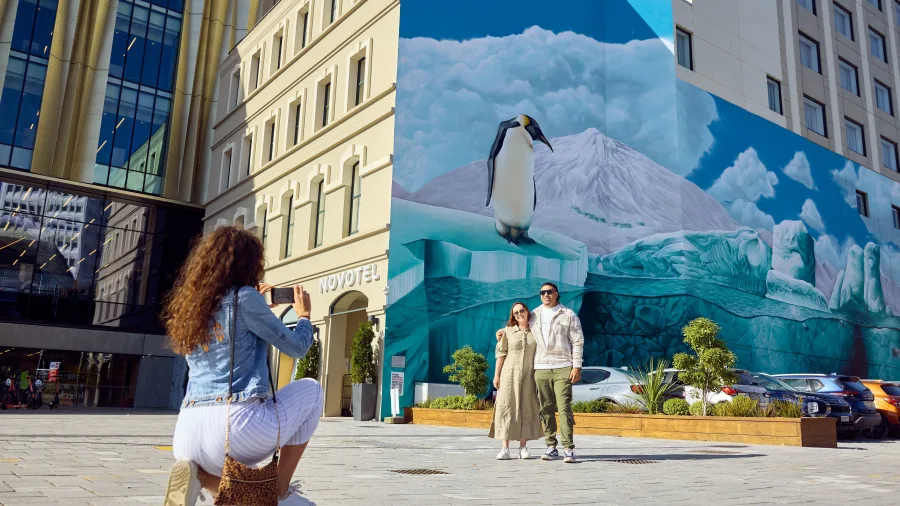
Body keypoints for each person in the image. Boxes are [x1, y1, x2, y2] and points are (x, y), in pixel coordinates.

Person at [161, 226, 322, 506]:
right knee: (312, 390)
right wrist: (304, 316)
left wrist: (261, 310)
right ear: (249, 263)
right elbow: (297, 346)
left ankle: (198, 477)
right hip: (234, 428)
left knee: (233, 485)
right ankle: (279, 491)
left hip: (187, 435)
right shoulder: (246, 298)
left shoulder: (193, 308)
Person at [497, 281, 584, 463]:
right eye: (542, 292)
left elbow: (577, 341)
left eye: (549, 292)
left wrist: (577, 366)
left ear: (556, 293)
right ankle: (551, 446)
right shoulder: (534, 315)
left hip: (563, 366)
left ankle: (568, 448)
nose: (546, 295)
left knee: (564, 406)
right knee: (545, 408)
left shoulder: (568, 315)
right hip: (541, 368)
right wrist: (502, 332)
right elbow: (517, 327)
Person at [489, 302, 543, 460]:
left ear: (527, 311)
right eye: (516, 313)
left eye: (521, 311)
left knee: (526, 408)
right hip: (508, 375)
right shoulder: (507, 331)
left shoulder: (536, 332)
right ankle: (505, 448)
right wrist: (496, 375)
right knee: (506, 407)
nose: (519, 314)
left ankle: (523, 447)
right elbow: (500, 354)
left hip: (529, 376)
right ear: (513, 316)